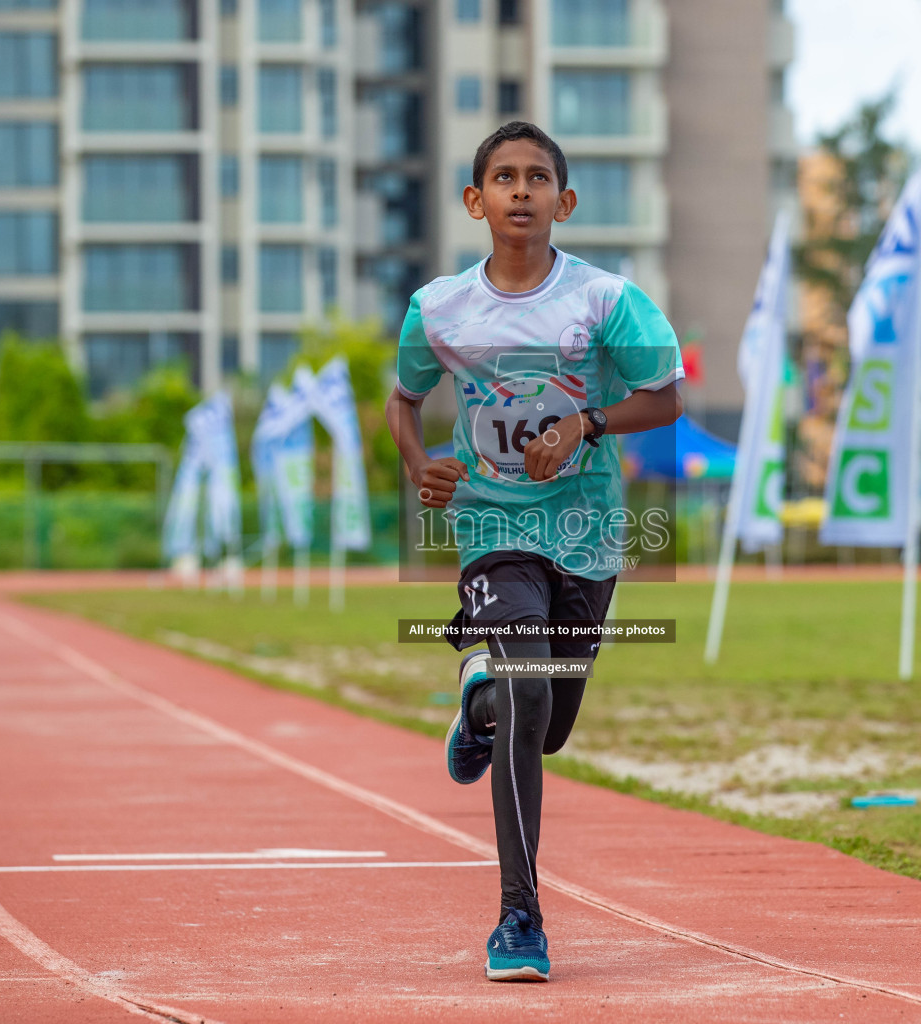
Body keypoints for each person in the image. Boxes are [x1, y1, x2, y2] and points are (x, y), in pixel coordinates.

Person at [385, 121, 683, 982]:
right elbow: (402, 402)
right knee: (527, 692)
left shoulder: (605, 301)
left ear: (565, 200)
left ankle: (477, 703)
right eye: (504, 178)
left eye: (538, 177)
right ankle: (520, 917)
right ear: (476, 201)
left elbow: (663, 399)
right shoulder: (439, 307)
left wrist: (586, 421)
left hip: (586, 533)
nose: (522, 190)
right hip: (491, 528)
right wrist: (421, 469)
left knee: (543, 727)